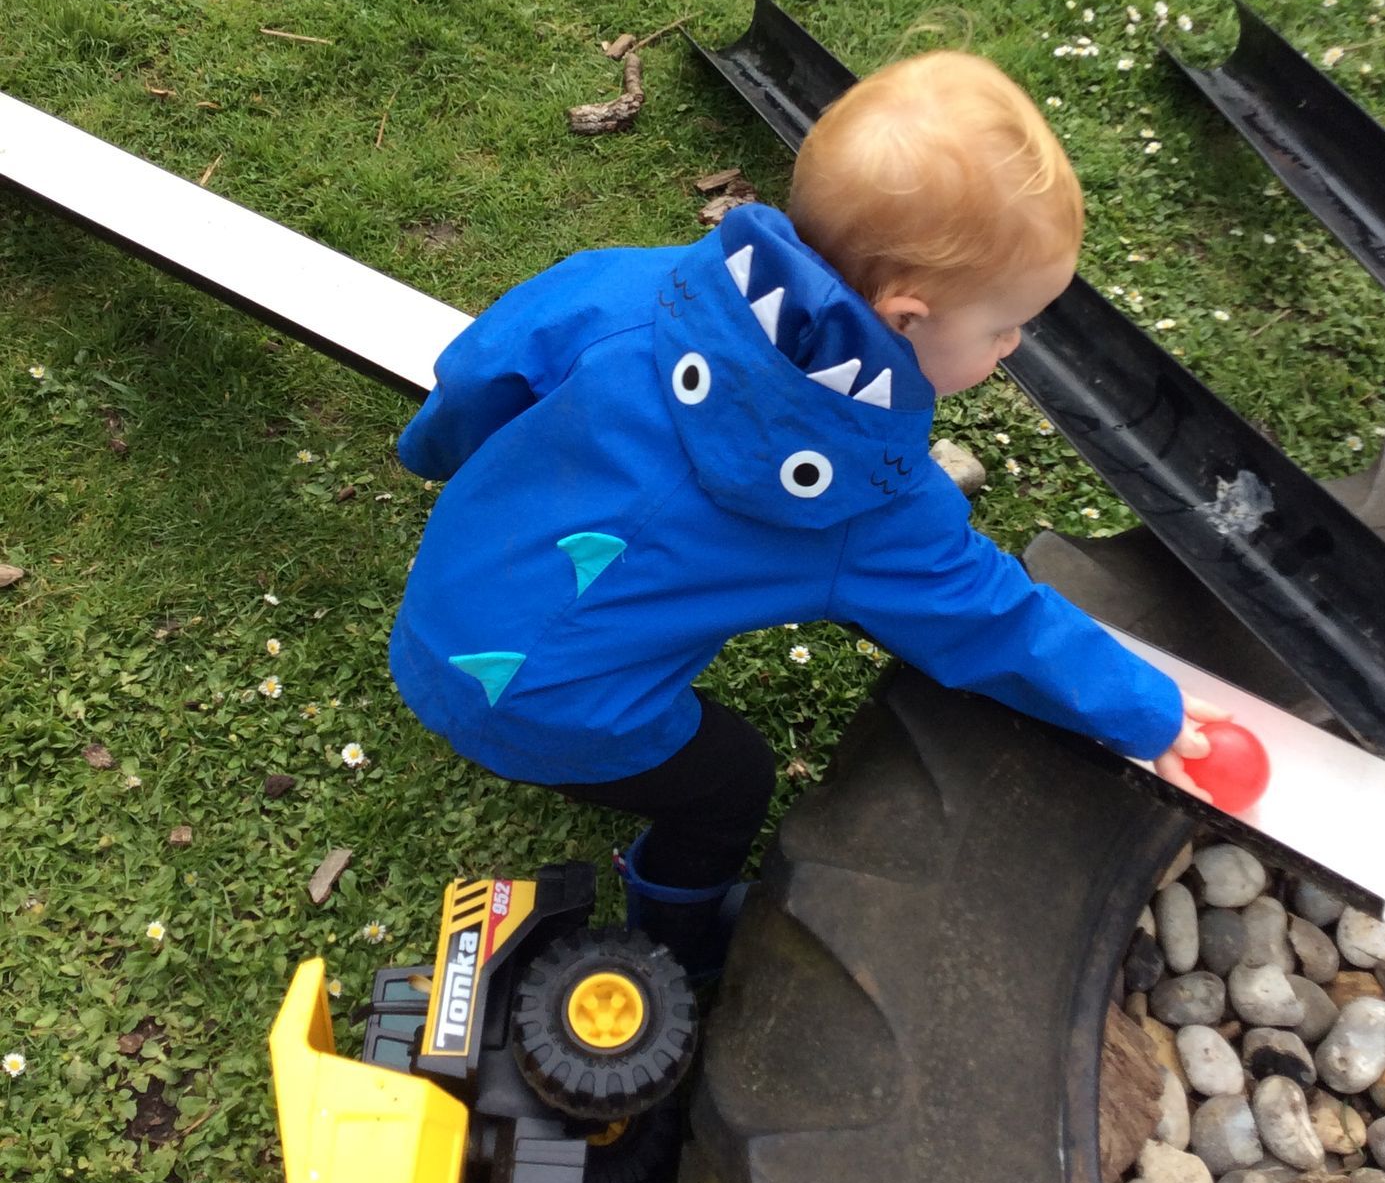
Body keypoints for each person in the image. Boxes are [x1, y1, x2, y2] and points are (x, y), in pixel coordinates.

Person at [388, 49, 1220, 972]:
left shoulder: (627, 284)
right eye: (1001, 328)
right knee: (728, 782)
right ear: (906, 317)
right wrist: (1148, 711)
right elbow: (994, 621)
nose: (1013, 346)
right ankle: (679, 935)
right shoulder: (871, 508)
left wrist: (434, 456)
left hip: (435, 610)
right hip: (540, 715)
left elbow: (479, 372)